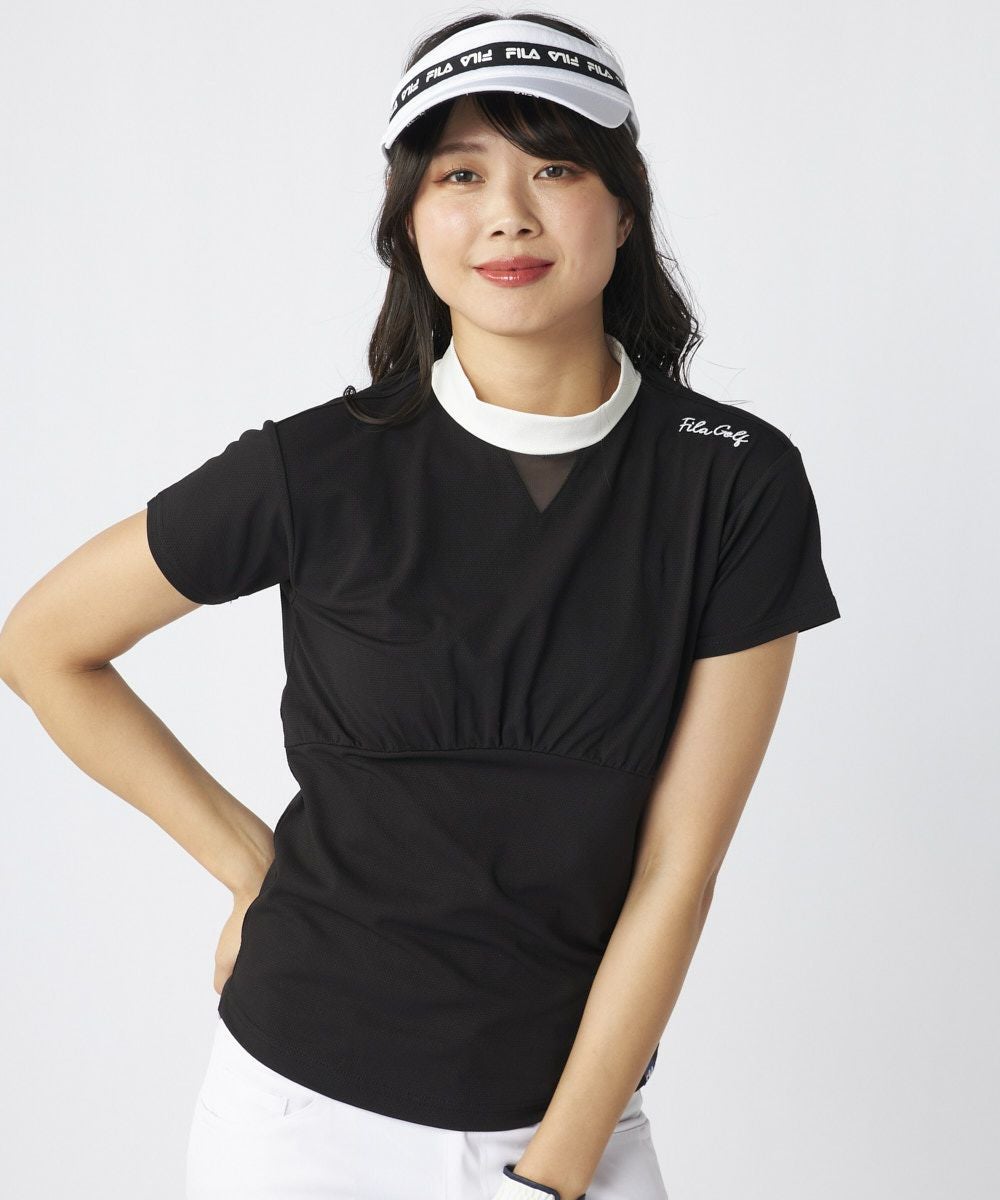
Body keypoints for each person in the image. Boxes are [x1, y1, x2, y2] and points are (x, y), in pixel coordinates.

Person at [0, 10, 841, 1200]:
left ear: (624, 208)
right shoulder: (315, 468)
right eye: (460, 174)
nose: (509, 213)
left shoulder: (734, 479)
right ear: (407, 221)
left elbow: (678, 869)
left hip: (570, 1131)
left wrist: (552, 1174)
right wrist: (247, 865)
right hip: (294, 1122)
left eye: (556, 167)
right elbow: (42, 646)